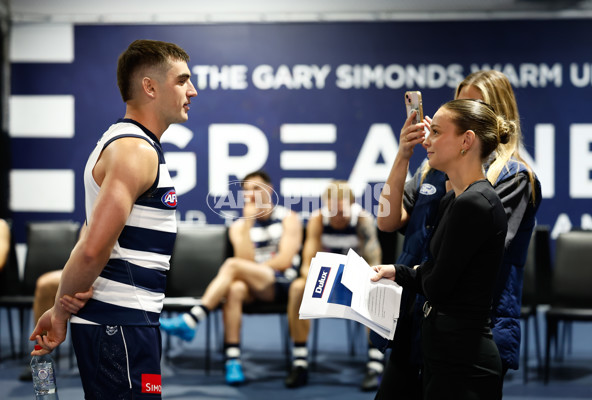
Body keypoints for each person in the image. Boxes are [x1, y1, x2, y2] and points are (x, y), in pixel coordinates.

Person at [29, 39, 197, 398]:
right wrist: (59, 311)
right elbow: (92, 250)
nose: (192, 91)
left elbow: (89, 237)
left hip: (127, 323)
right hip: (120, 326)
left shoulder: (130, 144)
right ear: (149, 87)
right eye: (182, 80)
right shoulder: (133, 150)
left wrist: (59, 304)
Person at [376, 70, 541, 399]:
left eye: (475, 105)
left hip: (469, 325)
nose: (428, 139)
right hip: (421, 315)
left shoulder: (510, 178)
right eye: (460, 101)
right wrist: (403, 155)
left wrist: (407, 274)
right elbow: (385, 221)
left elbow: (469, 258)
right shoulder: (431, 170)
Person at [159, 170, 303, 386]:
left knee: (233, 266)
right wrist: (247, 224)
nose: (251, 195)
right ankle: (233, 360)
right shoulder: (238, 226)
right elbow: (244, 259)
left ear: (269, 190)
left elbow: (283, 260)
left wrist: (254, 269)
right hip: (254, 285)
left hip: (281, 283)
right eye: (246, 190)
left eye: (256, 189)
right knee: (235, 288)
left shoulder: (288, 218)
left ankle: (192, 319)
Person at [284, 180, 383, 390]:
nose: (338, 216)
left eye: (342, 211)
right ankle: (300, 361)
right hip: (325, 279)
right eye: (333, 211)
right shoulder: (318, 220)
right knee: (297, 287)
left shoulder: (363, 220)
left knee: (376, 288)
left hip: (356, 280)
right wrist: (322, 280)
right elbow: (306, 264)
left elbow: (375, 263)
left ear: (352, 206)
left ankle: (375, 365)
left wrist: (358, 279)